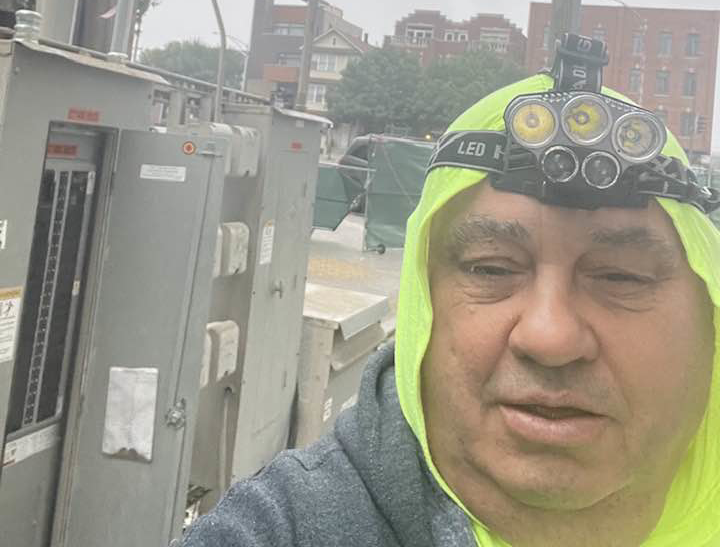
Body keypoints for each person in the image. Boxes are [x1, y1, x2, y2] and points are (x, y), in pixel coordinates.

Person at [180, 36, 720, 547]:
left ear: (707, 316)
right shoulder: (290, 527)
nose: (549, 335)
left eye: (621, 277)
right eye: (490, 269)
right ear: (422, 313)